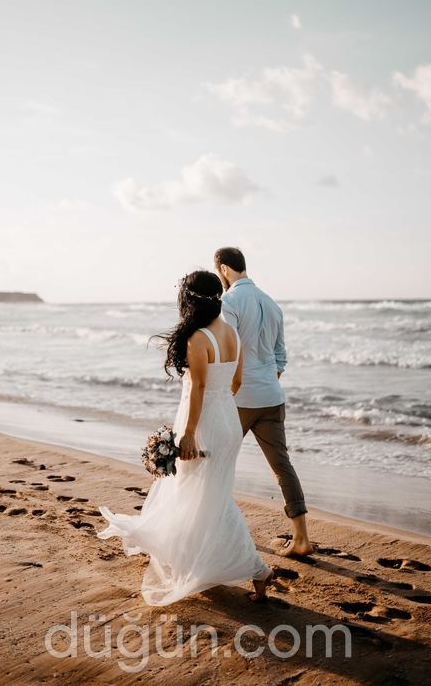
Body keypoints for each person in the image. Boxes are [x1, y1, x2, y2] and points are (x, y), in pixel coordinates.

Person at [97, 270, 275, 606]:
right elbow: (236, 381)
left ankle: (252, 567)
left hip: (203, 424)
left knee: (196, 497)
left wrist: (189, 434)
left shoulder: (197, 339)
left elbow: (198, 389)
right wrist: (220, 408)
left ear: (189, 300)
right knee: (212, 498)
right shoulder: (232, 332)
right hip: (227, 422)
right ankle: (225, 567)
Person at [214, 247, 313, 558]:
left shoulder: (228, 302)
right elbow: (281, 355)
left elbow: (230, 351)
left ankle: (216, 535)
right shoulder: (272, 304)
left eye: (219, 272)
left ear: (224, 269)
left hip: (240, 399)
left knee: (217, 463)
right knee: (282, 466)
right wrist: (267, 382)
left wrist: (232, 390)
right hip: (271, 396)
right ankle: (302, 539)